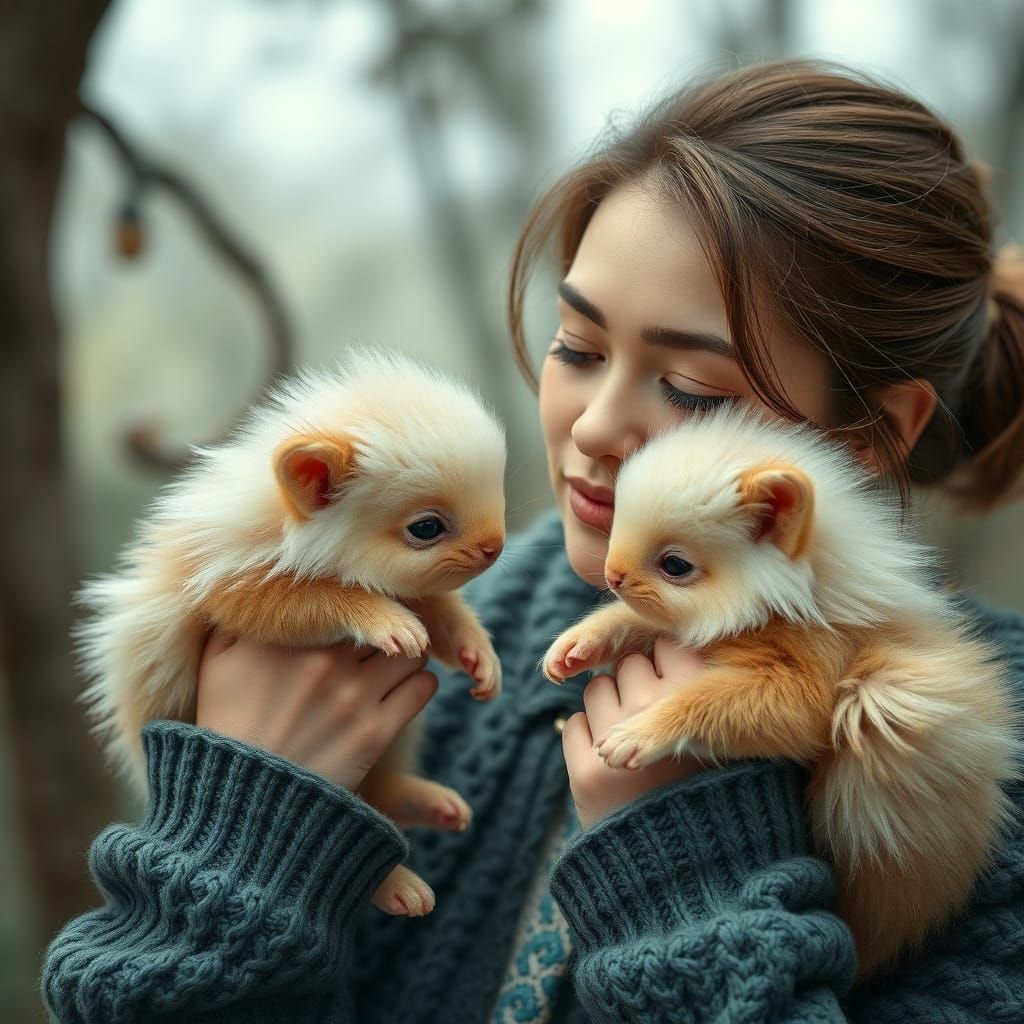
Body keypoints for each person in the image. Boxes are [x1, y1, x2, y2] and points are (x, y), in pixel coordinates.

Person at [43, 59, 1024, 1023]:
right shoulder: (438, 638)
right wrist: (241, 837)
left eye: (691, 387)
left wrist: (685, 861)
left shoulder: (982, 758)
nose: (594, 425)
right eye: (579, 347)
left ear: (870, 435)